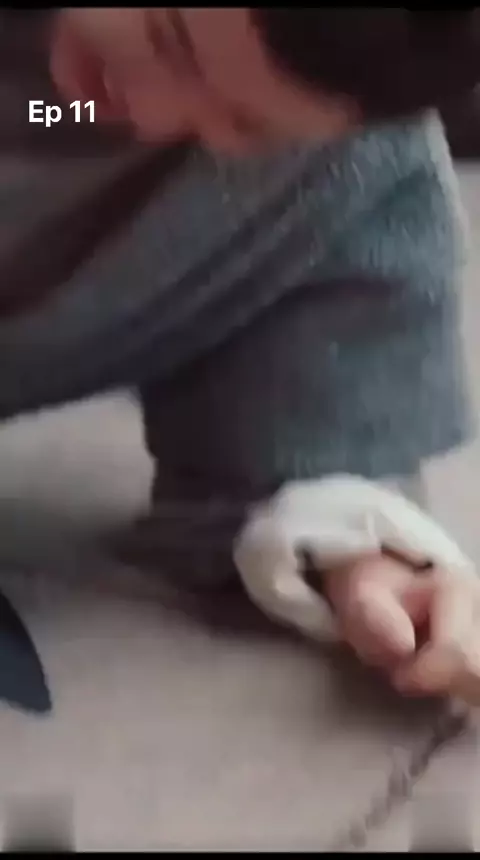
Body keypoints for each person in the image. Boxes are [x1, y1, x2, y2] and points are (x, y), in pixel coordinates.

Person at [2, 8, 480, 704]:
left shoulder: (328, 135)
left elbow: (309, 374)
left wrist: (357, 554)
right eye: (169, 39)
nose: (159, 113)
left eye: (244, 124)